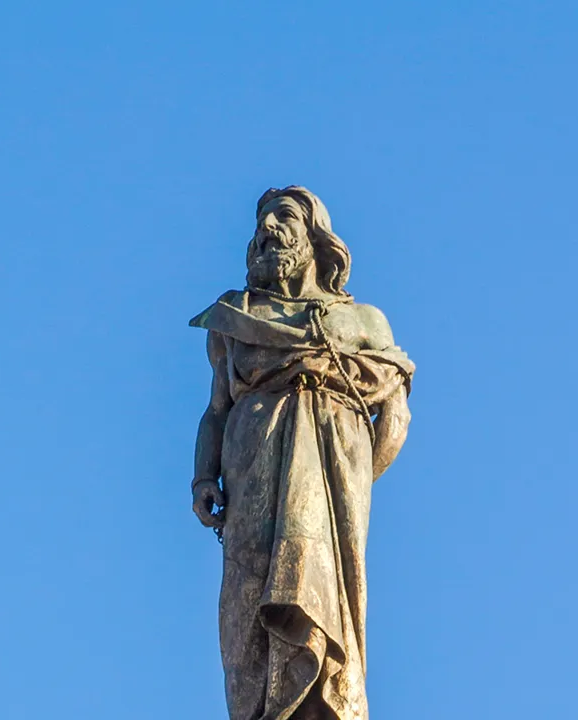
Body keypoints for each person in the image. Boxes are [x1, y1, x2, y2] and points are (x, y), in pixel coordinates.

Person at [189, 187, 414, 720]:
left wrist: (354, 478)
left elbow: (395, 416)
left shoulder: (363, 324)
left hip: (331, 476)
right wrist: (203, 477)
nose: (268, 227)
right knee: (247, 603)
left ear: (316, 238)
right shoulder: (236, 317)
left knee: (318, 582)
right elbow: (217, 408)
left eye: (284, 216)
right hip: (251, 471)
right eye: (262, 219)